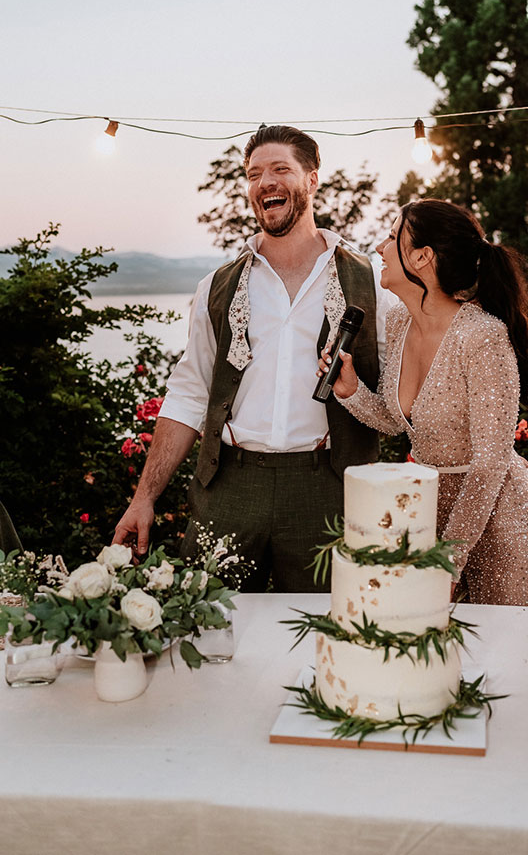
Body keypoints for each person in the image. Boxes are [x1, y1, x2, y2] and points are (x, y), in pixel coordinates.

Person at [113, 125, 391, 592]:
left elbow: (401, 391)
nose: (266, 181)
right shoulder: (217, 287)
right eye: (254, 173)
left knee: (328, 634)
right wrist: (144, 498)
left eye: (282, 169)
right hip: (229, 488)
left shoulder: (372, 280)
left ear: (312, 180)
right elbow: (187, 394)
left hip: (328, 488)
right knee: (203, 623)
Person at [320, 199, 528, 605]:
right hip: (429, 514)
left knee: (504, 654)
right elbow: (399, 422)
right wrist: (351, 391)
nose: (380, 248)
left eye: (392, 238)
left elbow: (490, 463)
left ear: (422, 257)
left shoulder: (482, 337)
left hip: (499, 517)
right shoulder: (399, 322)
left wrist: (449, 559)